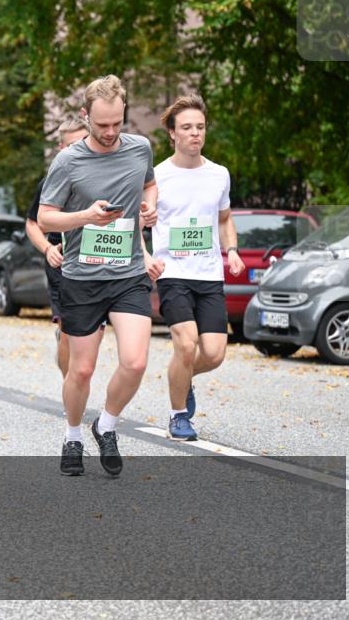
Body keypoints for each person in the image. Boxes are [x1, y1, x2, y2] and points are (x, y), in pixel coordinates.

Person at [38, 74, 158, 477]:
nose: (110, 133)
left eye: (117, 123)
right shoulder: (68, 161)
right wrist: (85, 217)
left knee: (136, 361)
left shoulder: (140, 148)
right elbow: (45, 217)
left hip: (128, 275)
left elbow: (150, 184)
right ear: (84, 116)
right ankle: (73, 435)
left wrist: (149, 208)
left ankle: (105, 424)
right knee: (82, 369)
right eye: (101, 124)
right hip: (81, 278)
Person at [148, 95, 244, 441]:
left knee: (215, 354)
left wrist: (231, 249)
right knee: (186, 345)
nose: (195, 134)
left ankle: (180, 376)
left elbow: (225, 219)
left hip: (208, 275)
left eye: (200, 127)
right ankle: (178, 416)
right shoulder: (157, 176)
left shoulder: (219, 174)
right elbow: (141, 216)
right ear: (172, 134)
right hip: (173, 273)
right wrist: (146, 236)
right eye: (187, 127)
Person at [26, 118, 91, 379]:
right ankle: (71, 388)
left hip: (97, 262)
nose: (80, 150)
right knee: (68, 330)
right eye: (73, 145)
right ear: (62, 148)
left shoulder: (105, 179)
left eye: (84, 143)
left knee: (91, 332)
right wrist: (46, 249)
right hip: (61, 262)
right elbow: (32, 224)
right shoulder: (50, 182)